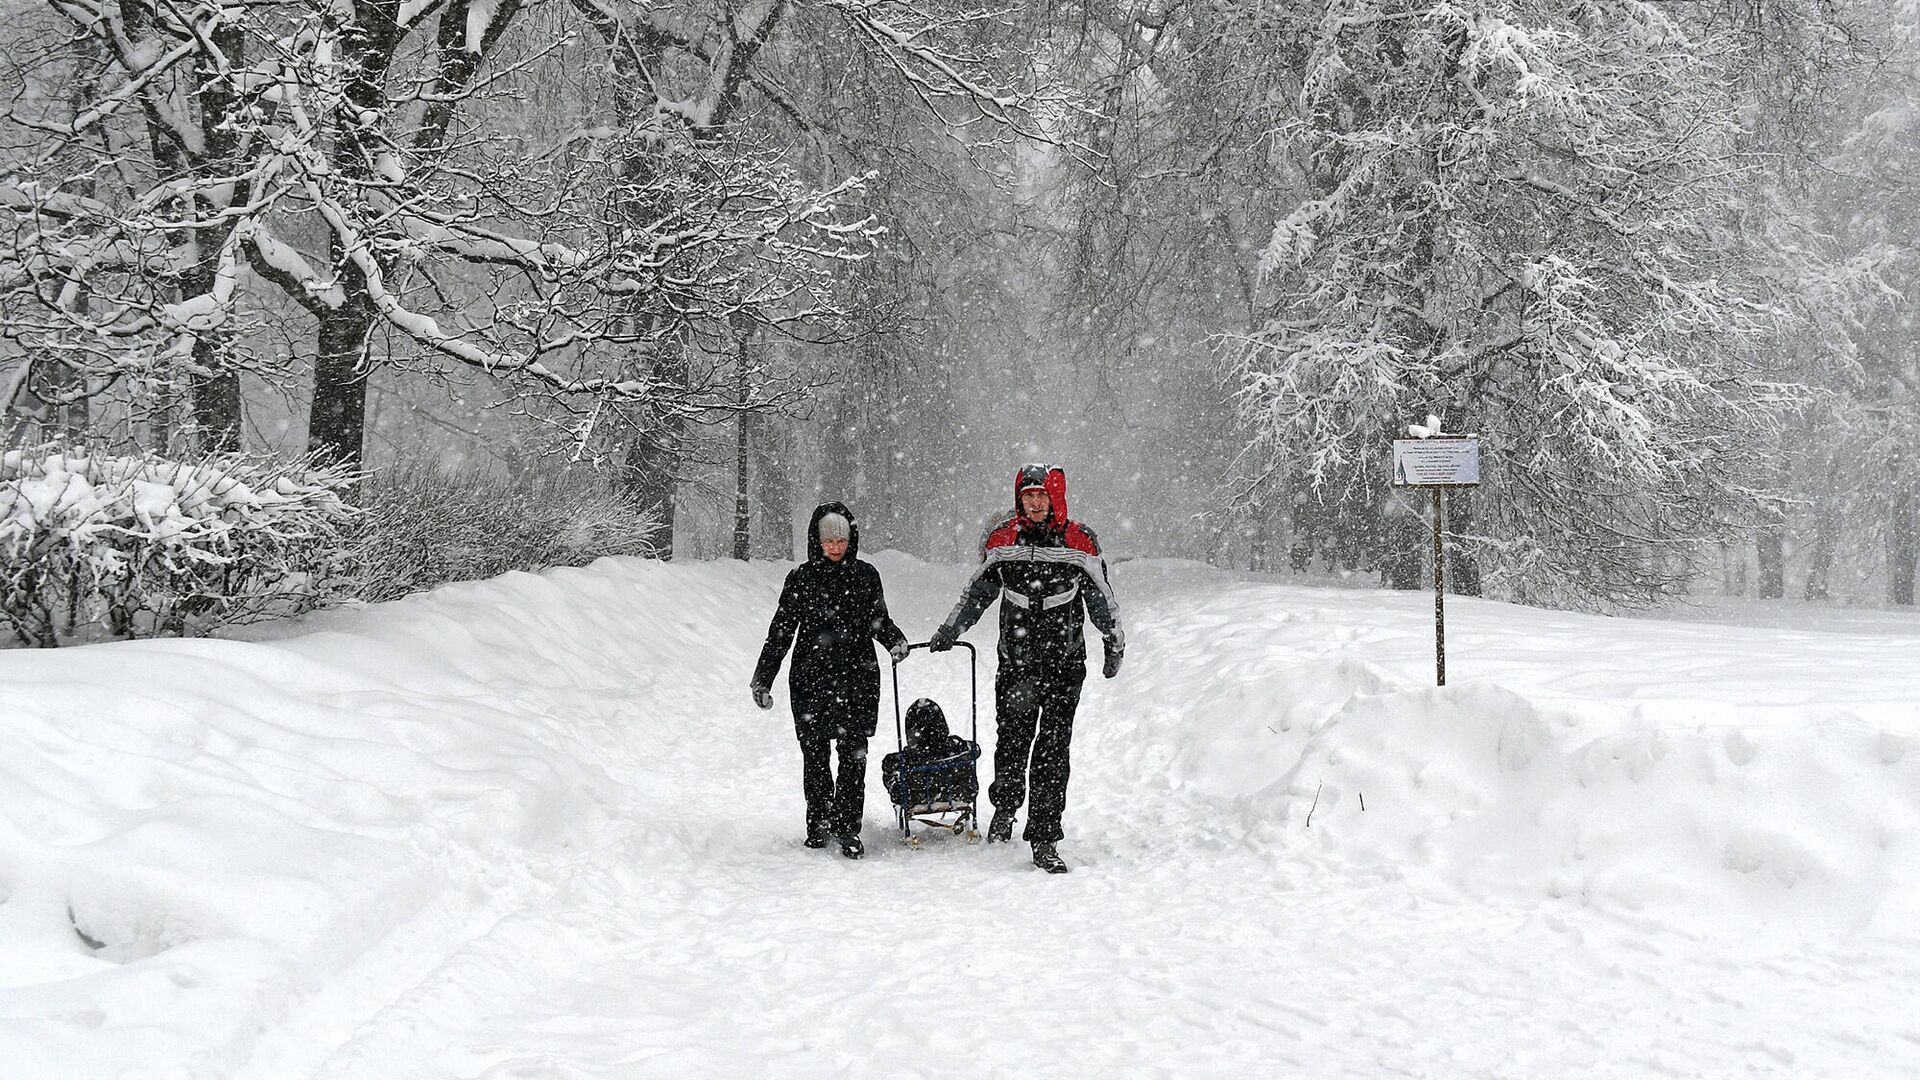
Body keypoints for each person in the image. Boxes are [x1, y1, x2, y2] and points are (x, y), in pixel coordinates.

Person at [928, 464, 1122, 874]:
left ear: (1055, 498)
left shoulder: (1079, 541)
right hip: (1016, 662)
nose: (1034, 503)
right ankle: (1006, 807)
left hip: (1065, 664)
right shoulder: (1003, 538)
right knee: (1013, 740)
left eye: (1041, 496)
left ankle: (1046, 835)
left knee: (1053, 750)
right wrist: (951, 628)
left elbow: (1102, 599)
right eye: (1027, 496)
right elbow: (978, 591)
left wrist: (1112, 642)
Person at [751, 502, 910, 859]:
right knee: (815, 756)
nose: (836, 547)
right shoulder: (801, 579)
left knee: (854, 758)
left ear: (851, 539)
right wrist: (763, 679)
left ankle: (848, 828)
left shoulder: (866, 576)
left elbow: (878, 621)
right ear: (816, 541)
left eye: (842, 539)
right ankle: (819, 823)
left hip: (858, 678)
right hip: (811, 679)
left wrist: (895, 641)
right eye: (829, 541)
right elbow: (780, 633)